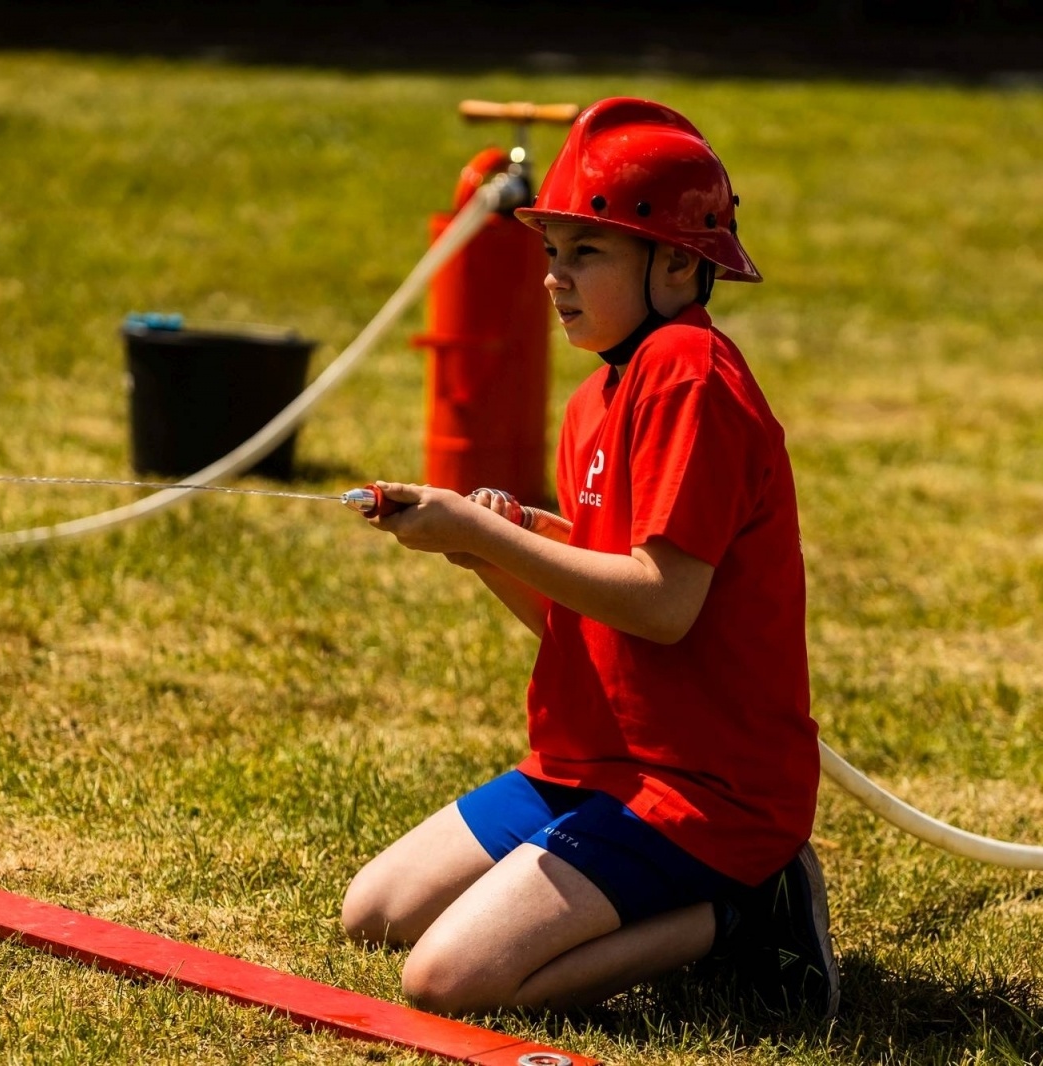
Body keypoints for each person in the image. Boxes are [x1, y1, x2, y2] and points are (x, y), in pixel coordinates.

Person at [340, 97, 837, 1020]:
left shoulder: (689, 372)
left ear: (682, 262)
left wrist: (490, 532)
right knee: (375, 913)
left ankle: (745, 911)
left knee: (446, 983)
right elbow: (588, 625)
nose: (555, 280)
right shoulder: (594, 402)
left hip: (704, 790)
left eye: (588, 253)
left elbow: (662, 605)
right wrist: (492, 555)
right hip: (594, 761)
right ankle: (684, 901)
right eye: (551, 253)